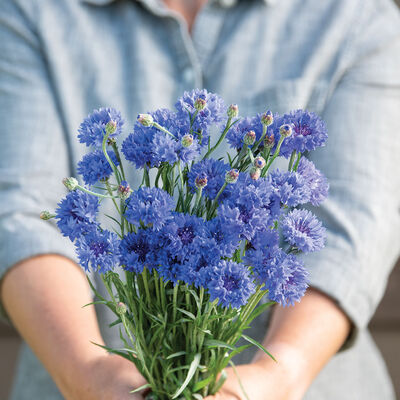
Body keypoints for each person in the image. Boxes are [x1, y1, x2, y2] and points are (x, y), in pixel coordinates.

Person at [0, 0, 399, 399]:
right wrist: (86, 374)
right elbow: (20, 213)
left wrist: (282, 375)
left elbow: (356, 228)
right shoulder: (32, 10)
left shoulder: (356, 16)